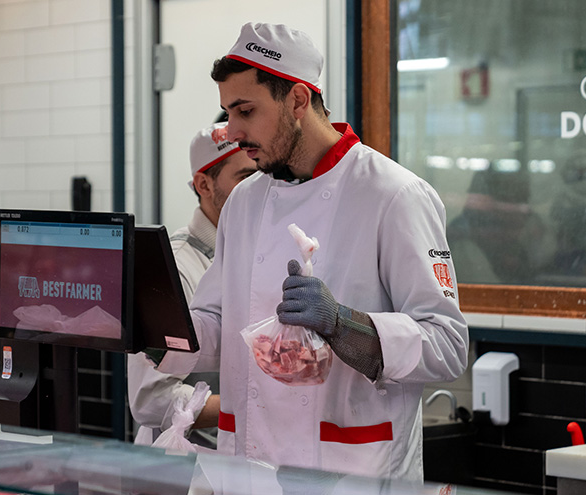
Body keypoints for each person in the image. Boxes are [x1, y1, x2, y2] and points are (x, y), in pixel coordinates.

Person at [152, 23, 468, 481]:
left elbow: (448, 345)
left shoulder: (394, 195)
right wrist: (153, 327)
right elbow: (220, 325)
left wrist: (343, 324)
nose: (232, 131)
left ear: (298, 100)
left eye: (245, 110)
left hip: (350, 471)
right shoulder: (244, 201)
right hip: (248, 469)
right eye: (227, 113)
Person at [127, 121, 258, 448]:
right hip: (185, 464)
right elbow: (149, 398)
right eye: (244, 178)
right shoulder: (175, 268)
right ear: (204, 184)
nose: (258, 189)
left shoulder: (257, 254)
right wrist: (252, 407)